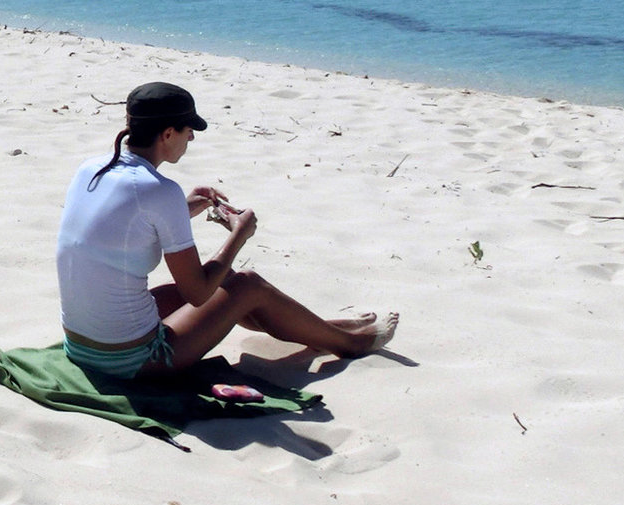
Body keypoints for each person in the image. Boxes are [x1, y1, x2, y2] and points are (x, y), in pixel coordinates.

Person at [56, 82, 397, 380]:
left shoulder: (92, 168)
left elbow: (126, 228)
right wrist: (239, 234)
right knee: (245, 283)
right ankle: (351, 343)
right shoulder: (160, 191)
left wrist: (188, 207)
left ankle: (325, 329)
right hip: (134, 362)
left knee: (226, 282)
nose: (192, 137)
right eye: (189, 129)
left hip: (80, 345)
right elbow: (199, 294)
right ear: (167, 134)